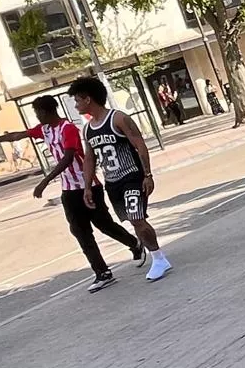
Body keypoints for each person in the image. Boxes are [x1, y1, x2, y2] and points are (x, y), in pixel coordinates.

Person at [0, 95, 144, 293]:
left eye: (38, 113)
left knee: (103, 224)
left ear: (46, 112)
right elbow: (16, 135)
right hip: (68, 191)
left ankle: (134, 243)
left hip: (87, 186)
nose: (37, 117)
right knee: (80, 232)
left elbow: (69, 157)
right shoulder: (45, 130)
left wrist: (44, 181)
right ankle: (102, 272)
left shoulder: (68, 129)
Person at [69, 76, 174, 282]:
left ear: (88, 99)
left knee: (137, 218)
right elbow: (89, 158)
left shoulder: (118, 119)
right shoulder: (88, 129)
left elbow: (140, 145)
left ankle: (159, 257)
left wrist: (147, 174)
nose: (76, 105)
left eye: (78, 100)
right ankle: (152, 251)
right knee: (132, 221)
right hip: (112, 182)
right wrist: (87, 187)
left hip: (132, 176)